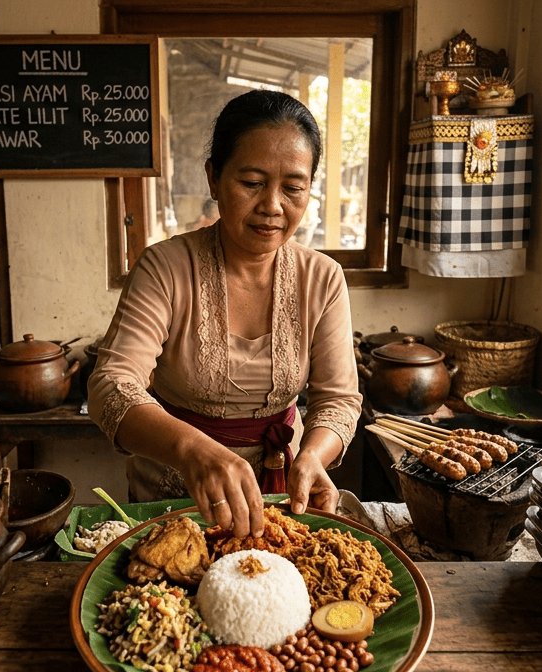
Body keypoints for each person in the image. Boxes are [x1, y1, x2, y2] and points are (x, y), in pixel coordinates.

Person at [87, 90, 361, 538]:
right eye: (251, 183)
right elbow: (111, 386)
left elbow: (339, 400)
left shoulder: (324, 278)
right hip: (175, 496)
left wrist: (312, 456)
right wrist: (194, 449)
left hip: (280, 497)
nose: (273, 205)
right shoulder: (165, 268)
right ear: (214, 179)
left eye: (293, 188)